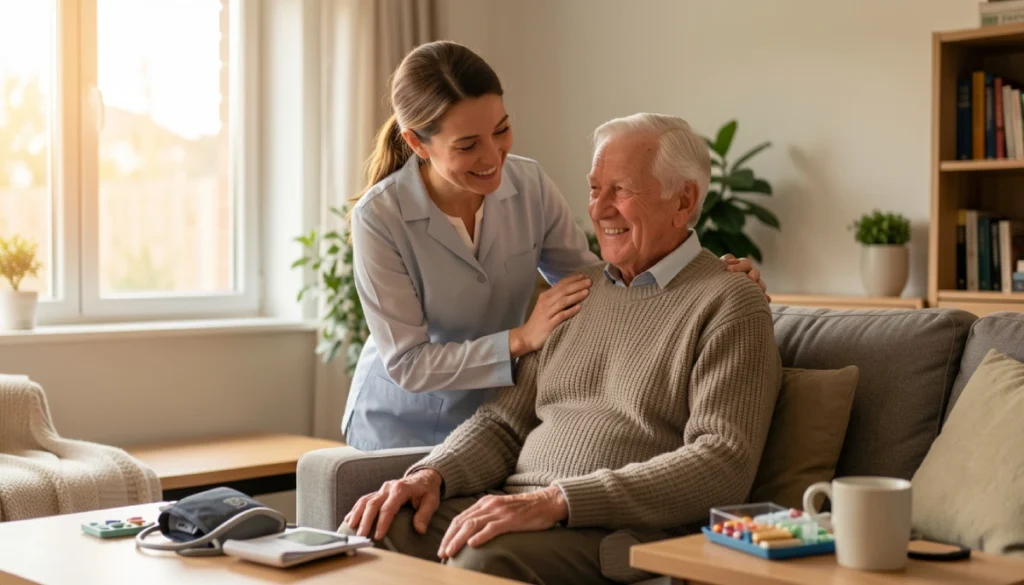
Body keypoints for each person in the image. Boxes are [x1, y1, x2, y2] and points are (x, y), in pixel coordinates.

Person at [341, 113, 784, 585]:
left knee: (484, 560)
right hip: (523, 511)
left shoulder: (729, 302)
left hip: (615, 529)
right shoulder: (577, 293)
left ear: (684, 200)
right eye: (595, 189)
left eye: (621, 190)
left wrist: (559, 500)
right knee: (376, 532)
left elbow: (722, 461)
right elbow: (504, 423)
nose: (599, 210)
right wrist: (432, 475)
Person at [342, 40, 768, 452]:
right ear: (417, 143)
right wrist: (520, 339)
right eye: (468, 145)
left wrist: (709, 277)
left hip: (491, 421)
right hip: (398, 426)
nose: (493, 156)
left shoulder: (528, 185)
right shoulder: (380, 218)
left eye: (502, 130)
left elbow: (594, 283)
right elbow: (409, 364)